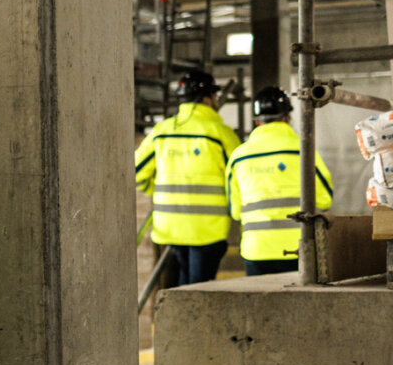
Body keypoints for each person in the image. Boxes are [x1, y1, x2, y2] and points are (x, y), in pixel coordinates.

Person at [134, 70, 242, 285]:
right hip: (208, 229)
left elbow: (135, 173)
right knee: (199, 288)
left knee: (181, 286)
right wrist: (237, 212)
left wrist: (155, 189)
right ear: (206, 99)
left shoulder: (161, 131)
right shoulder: (221, 134)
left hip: (170, 226)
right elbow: (240, 177)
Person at [227, 86, 335, 276]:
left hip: (256, 250)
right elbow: (325, 198)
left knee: (259, 305)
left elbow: (235, 211)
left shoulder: (238, 156)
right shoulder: (303, 150)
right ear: (287, 116)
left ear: (257, 121)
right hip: (300, 247)